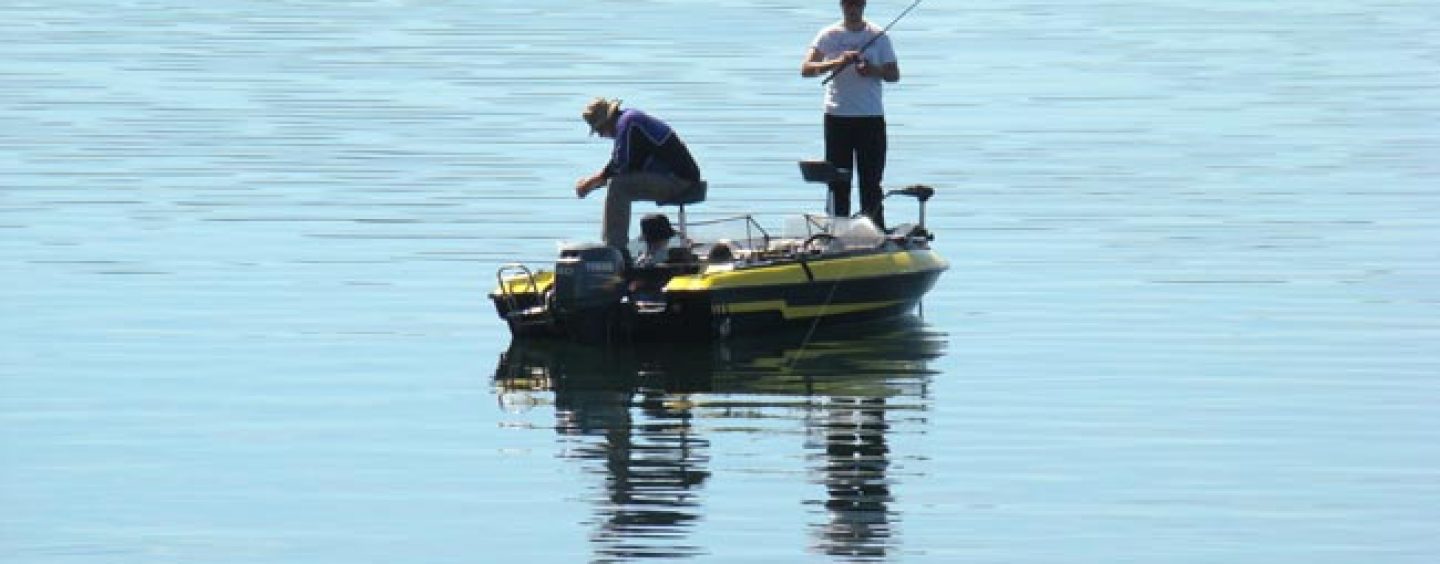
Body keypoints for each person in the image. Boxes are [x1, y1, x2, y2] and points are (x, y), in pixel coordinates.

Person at [801, 0, 900, 230]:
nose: (852, 9)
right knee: (838, 181)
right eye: (848, 5)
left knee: (871, 182)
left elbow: (894, 74)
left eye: (857, 5)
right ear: (842, 6)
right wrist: (838, 62)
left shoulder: (878, 36)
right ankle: (837, 230)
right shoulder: (828, 35)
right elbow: (806, 69)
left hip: (870, 118)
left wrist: (871, 70)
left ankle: (874, 229)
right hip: (838, 118)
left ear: (863, 6)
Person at [575, 97, 703, 252]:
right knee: (617, 183)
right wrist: (593, 184)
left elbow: (619, 166)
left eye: (600, 130)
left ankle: (615, 250)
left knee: (618, 187)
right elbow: (622, 165)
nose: (601, 135)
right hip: (677, 178)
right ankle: (618, 249)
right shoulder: (630, 123)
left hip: (679, 181)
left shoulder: (629, 123)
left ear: (608, 121)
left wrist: (589, 184)